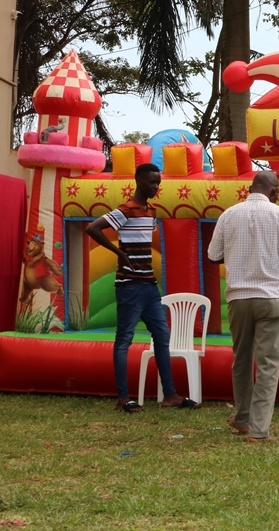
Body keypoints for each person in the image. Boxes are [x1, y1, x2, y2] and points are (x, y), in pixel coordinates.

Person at [86, 163, 199, 413]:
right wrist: (118, 252)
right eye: (151, 182)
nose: (156, 186)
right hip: (129, 285)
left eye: (158, 182)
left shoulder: (151, 211)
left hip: (149, 285)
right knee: (124, 339)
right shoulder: (126, 210)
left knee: (162, 336)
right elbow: (92, 227)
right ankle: (123, 398)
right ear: (138, 180)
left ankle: (170, 395)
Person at [207, 171, 279, 442]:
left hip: (238, 297)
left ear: (250, 188)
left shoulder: (228, 214)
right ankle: (259, 431)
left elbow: (213, 256)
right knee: (268, 364)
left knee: (242, 360)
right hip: (271, 297)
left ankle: (243, 418)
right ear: (274, 190)